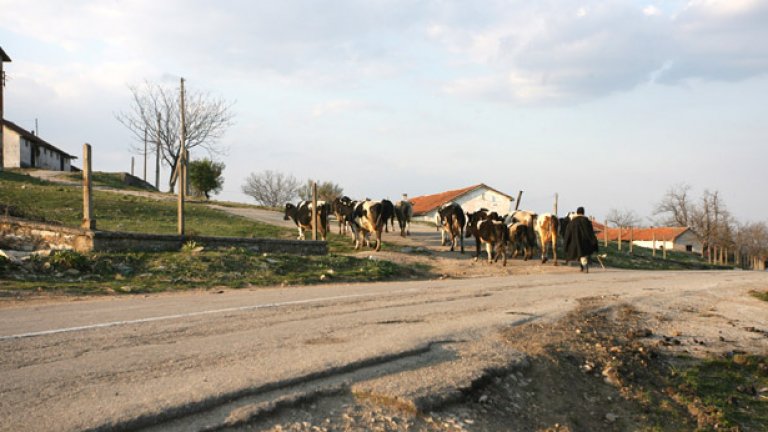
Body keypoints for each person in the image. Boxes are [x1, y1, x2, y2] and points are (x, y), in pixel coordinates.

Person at [564, 207, 599, 273]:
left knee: (580, 254)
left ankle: (584, 267)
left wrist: (566, 243)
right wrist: (593, 241)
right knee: (583, 254)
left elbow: (568, 233)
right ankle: (583, 267)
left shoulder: (572, 222)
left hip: (575, 242)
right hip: (585, 241)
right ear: (583, 212)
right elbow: (590, 232)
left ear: (577, 212)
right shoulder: (587, 221)